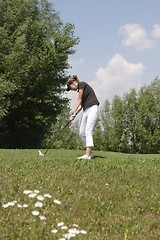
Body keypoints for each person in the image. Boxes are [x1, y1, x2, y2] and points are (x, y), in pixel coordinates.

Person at [66, 75, 100, 159]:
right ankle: (90, 152)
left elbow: (79, 99)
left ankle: (87, 155)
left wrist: (73, 113)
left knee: (88, 131)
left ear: (73, 83)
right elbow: (81, 105)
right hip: (86, 110)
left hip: (93, 108)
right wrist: (75, 114)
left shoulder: (82, 84)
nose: (71, 90)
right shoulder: (81, 89)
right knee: (81, 132)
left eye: (70, 88)